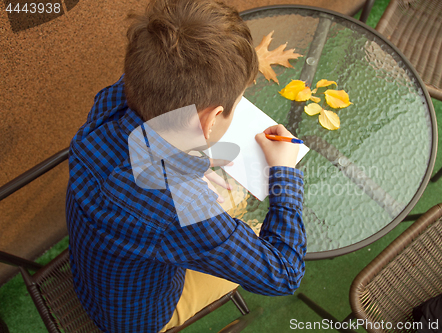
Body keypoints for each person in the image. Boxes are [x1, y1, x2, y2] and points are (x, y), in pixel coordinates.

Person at [65, 0, 306, 332]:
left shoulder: (115, 98)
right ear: (208, 120)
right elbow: (283, 274)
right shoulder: (182, 206)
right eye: (235, 105)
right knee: (248, 228)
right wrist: (284, 172)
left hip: (91, 272)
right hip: (134, 319)